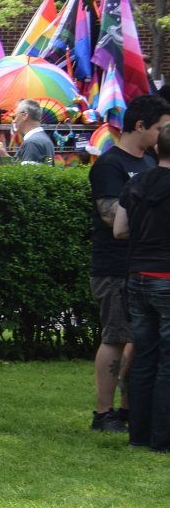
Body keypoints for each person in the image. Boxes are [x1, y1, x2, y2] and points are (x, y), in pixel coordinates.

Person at [89, 93, 170, 431]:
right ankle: (103, 413)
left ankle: (128, 408)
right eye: (161, 128)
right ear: (140, 126)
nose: (164, 134)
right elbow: (111, 217)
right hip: (114, 266)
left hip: (141, 267)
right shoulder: (111, 165)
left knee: (139, 340)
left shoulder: (151, 162)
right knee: (115, 337)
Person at [114, 121, 170, 453]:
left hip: (137, 277)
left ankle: (138, 434)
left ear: (156, 147)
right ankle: (162, 440)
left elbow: (119, 229)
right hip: (167, 278)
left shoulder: (136, 183)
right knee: (167, 361)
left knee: (144, 356)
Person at [12, 99, 55, 165]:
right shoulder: (44, 139)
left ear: (25, 116)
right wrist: (3, 154)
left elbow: (26, 171)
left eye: (14, 116)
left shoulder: (32, 142)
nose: (14, 121)